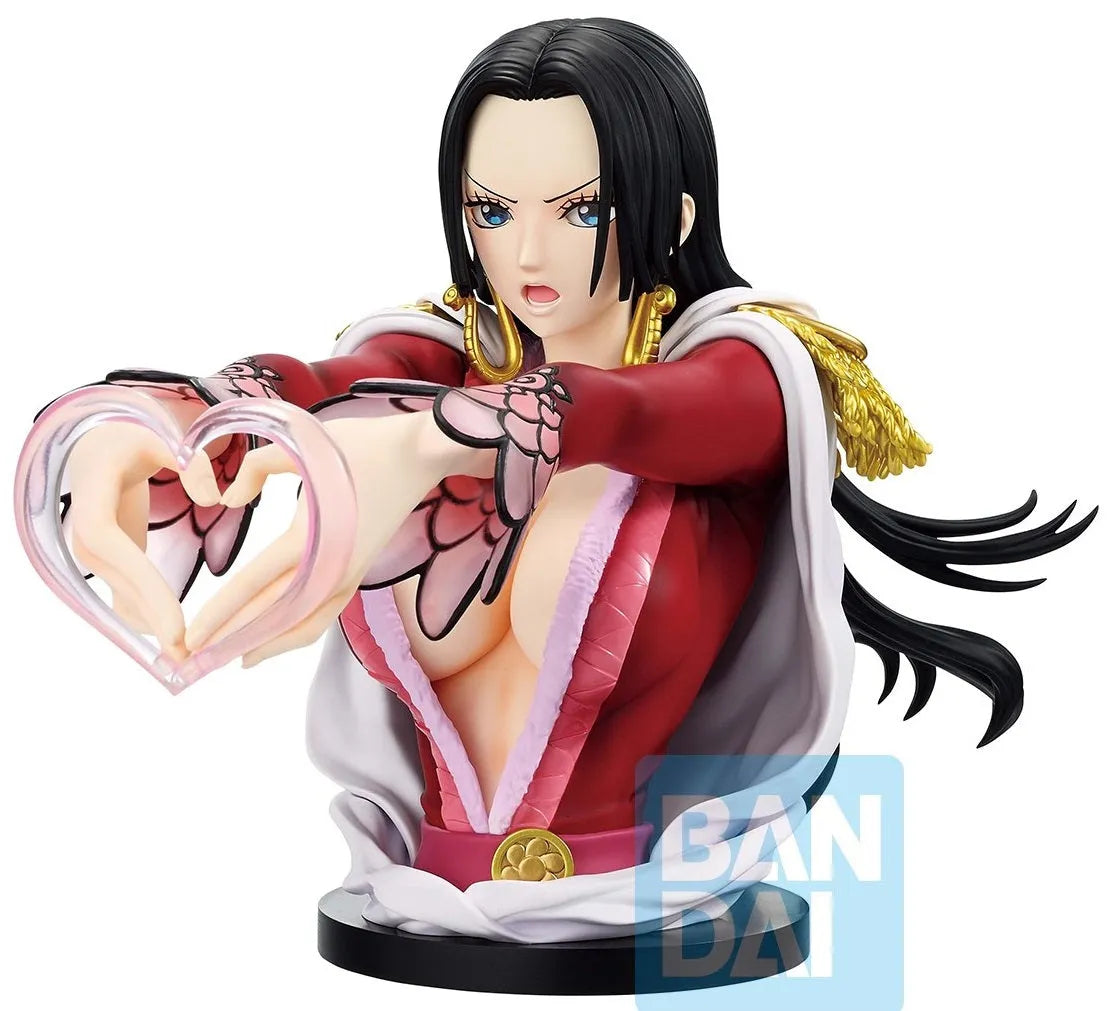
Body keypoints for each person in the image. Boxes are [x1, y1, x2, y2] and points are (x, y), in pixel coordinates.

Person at [32, 18, 1095, 946]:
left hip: (649, 909)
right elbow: (327, 379)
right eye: (492, 212)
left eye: (581, 210)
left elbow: (622, 412)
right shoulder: (441, 358)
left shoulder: (744, 379)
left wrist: (419, 449)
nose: (527, 254)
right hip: (413, 902)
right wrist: (171, 423)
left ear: (673, 216)